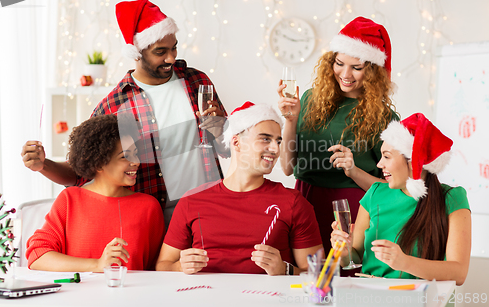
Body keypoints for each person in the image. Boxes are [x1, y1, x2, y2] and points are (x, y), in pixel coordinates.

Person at [21, 0, 228, 226]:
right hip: (156, 219)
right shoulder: (115, 105)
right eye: (161, 52)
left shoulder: (196, 81)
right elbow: (80, 170)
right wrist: (44, 166)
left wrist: (221, 130)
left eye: (174, 48)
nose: (171, 58)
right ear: (137, 52)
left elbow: (227, 145)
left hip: (209, 208)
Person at [156, 102, 323, 275]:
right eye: (265, 139)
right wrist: (179, 267)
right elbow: (162, 265)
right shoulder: (192, 200)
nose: (275, 149)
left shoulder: (293, 202)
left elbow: (318, 271)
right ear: (236, 142)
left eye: (278, 141)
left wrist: (285, 269)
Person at [277, 16, 399, 253]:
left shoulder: (384, 118)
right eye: (339, 63)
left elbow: (393, 189)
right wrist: (290, 121)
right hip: (305, 202)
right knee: (306, 278)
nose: (345, 74)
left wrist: (353, 171)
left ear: (372, 71)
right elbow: (287, 167)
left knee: (346, 279)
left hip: (353, 210)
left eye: (357, 67)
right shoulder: (309, 100)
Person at [330, 113, 471, 285]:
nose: (379, 164)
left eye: (387, 156)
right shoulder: (375, 193)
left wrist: (404, 263)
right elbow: (356, 257)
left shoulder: (452, 199)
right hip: (370, 296)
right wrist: (344, 253)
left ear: (413, 162)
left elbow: (459, 273)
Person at [26, 114, 165, 272]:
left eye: (135, 153)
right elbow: (38, 256)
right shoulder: (70, 200)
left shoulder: (149, 207)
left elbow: (157, 268)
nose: (136, 162)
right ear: (99, 163)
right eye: (125, 156)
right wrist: (97, 265)